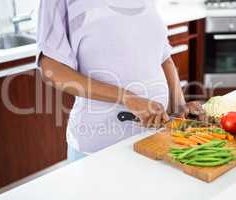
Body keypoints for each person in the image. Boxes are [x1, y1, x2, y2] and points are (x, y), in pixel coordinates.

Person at [37, 0, 204, 160]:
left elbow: (163, 57)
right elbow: (51, 68)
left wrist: (179, 109)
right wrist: (126, 97)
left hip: (156, 141)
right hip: (99, 149)